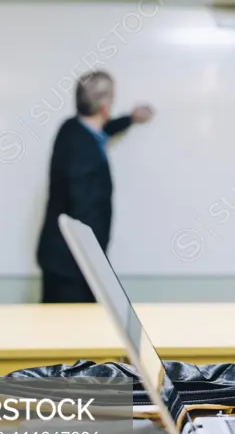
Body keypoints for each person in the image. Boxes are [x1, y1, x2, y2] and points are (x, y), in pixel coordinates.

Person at [36, 70, 154, 303]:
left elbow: (103, 129)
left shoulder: (72, 129)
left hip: (68, 261)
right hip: (73, 266)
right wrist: (99, 268)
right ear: (104, 106)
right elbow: (84, 213)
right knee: (73, 335)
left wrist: (129, 118)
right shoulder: (81, 150)